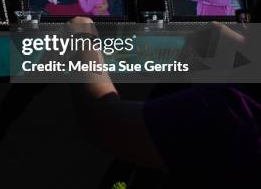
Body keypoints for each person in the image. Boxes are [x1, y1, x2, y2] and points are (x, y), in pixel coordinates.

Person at [66, 15, 260, 187]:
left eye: (250, 21)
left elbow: (104, 121)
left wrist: (82, 40)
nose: (243, 27)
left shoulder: (230, 110)